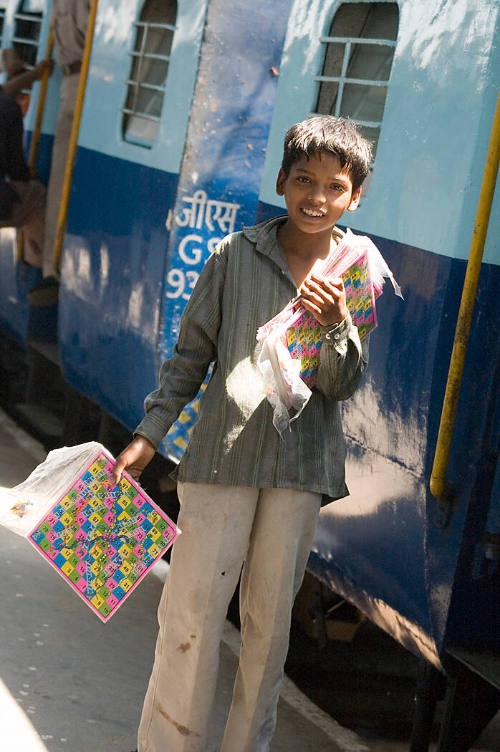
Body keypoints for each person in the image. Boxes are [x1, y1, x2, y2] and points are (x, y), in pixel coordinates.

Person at [113, 115, 372, 752]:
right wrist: (150, 434)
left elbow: (343, 385)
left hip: (297, 473)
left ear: (354, 197)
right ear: (281, 181)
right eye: (304, 179)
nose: (317, 196)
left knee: (267, 635)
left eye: (335, 187)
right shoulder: (235, 256)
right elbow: (190, 355)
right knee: (191, 619)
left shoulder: (356, 268)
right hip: (221, 463)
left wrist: (339, 324)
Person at [28, 0, 90, 305]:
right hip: (85, 83)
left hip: (70, 80)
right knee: (69, 182)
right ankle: (55, 269)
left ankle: (51, 266)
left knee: (60, 180)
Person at [0, 49, 52, 268]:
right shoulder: (9, 108)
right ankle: (40, 272)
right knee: (37, 197)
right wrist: (28, 173)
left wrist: (33, 76)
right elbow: (16, 168)